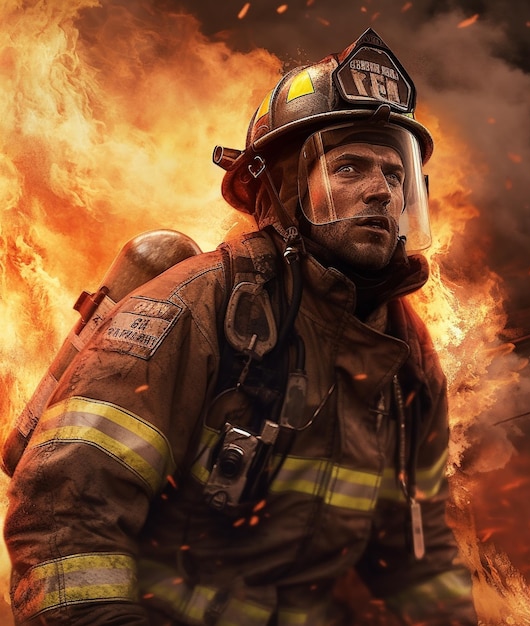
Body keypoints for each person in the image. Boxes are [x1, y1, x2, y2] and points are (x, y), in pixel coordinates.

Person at [3, 28, 477, 626]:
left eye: (394, 173)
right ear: (280, 189)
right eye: (351, 165)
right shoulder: (195, 309)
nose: (382, 191)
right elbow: (65, 517)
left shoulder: (406, 356)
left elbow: (419, 553)